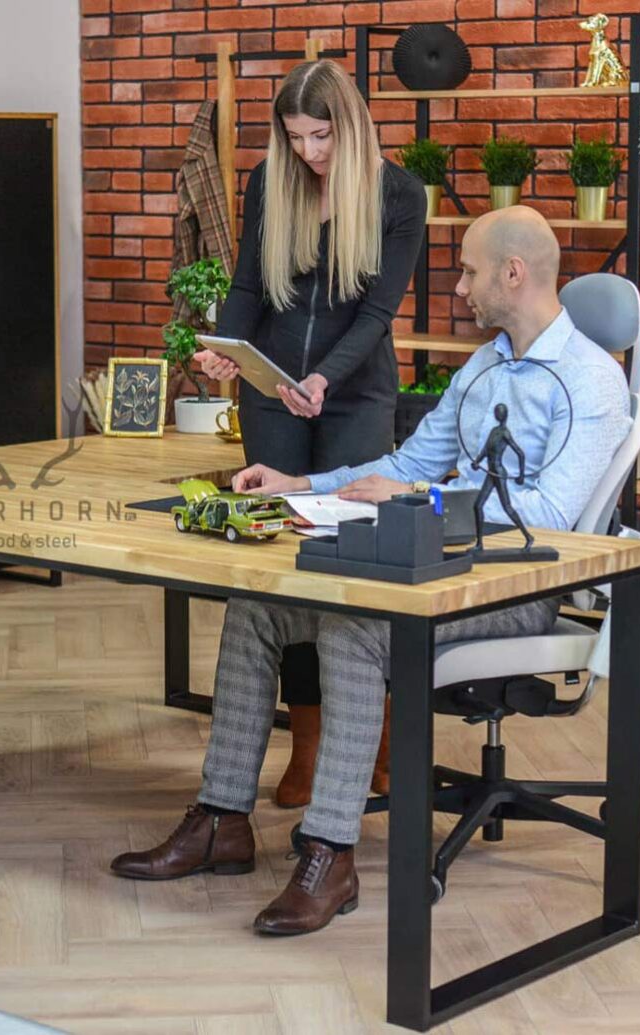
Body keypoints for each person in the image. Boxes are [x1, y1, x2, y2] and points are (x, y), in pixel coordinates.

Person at [111, 206, 632, 936]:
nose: (459, 288)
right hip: (441, 567)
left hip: (518, 587)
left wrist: (416, 497)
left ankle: (330, 853)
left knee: (354, 627)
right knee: (258, 608)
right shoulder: (485, 367)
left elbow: (544, 515)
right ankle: (222, 820)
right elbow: (404, 465)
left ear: (513, 273)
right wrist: (301, 484)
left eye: (469, 272)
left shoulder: (592, 381)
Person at [193, 59, 427, 808]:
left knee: (350, 564)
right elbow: (248, 288)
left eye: (321, 137)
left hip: (355, 394)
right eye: (295, 138)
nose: (309, 153)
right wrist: (227, 351)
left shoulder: (399, 194)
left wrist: (325, 377)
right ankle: (308, 745)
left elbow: (377, 313)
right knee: (284, 564)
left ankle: (377, 741)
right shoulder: (271, 180)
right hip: (272, 395)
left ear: (349, 127)